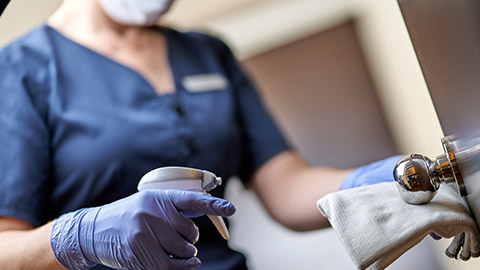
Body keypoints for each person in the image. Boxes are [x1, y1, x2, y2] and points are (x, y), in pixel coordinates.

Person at [0, 0, 401, 269]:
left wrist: (385, 186)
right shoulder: (21, 70)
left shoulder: (207, 52)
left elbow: (285, 186)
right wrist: (81, 237)